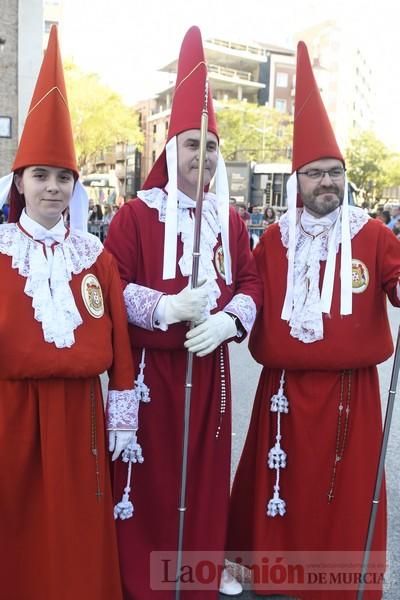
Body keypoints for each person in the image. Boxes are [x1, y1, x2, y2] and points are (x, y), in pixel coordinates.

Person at [227, 41, 400, 600]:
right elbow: (248, 291)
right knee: (285, 489)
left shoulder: (373, 234)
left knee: (342, 495)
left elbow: (396, 281)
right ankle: (274, 579)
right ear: (296, 180)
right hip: (279, 391)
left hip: (352, 393)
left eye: (335, 173)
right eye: (316, 174)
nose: (328, 182)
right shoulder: (274, 238)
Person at [105, 25, 262, 600]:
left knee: (203, 472)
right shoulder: (134, 215)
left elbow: (249, 280)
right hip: (152, 375)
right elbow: (111, 285)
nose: (203, 154)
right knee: (151, 475)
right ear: (172, 152)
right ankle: (143, 574)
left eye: (212, 146)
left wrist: (230, 319)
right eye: (192, 144)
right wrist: (165, 307)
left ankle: (199, 566)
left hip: (211, 370)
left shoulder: (232, 220)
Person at [0, 26, 140, 600]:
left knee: (80, 531)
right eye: (41, 176)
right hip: (12, 414)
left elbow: (121, 341)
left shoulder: (96, 257)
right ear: (20, 181)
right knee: (20, 526)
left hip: (82, 414)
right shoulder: (2, 253)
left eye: (63, 178)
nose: (52, 188)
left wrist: (121, 411)